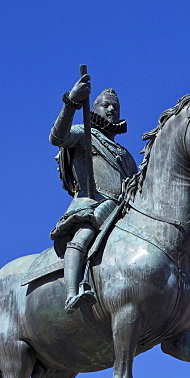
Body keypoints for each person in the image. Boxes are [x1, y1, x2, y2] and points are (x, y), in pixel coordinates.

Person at [49, 74, 138, 312]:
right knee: (84, 235)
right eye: (105, 105)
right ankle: (72, 293)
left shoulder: (125, 154)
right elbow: (57, 137)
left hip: (122, 211)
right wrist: (72, 103)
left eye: (115, 107)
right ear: (95, 107)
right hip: (92, 205)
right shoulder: (82, 134)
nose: (111, 110)